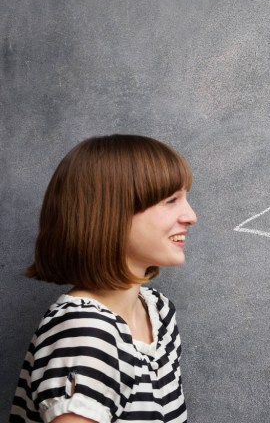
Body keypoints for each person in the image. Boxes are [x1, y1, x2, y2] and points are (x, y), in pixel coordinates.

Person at [10, 135, 196, 423]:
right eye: (171, 200)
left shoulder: (158, 311)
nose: (190, 216)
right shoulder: (86, 333)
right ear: (113, 215)